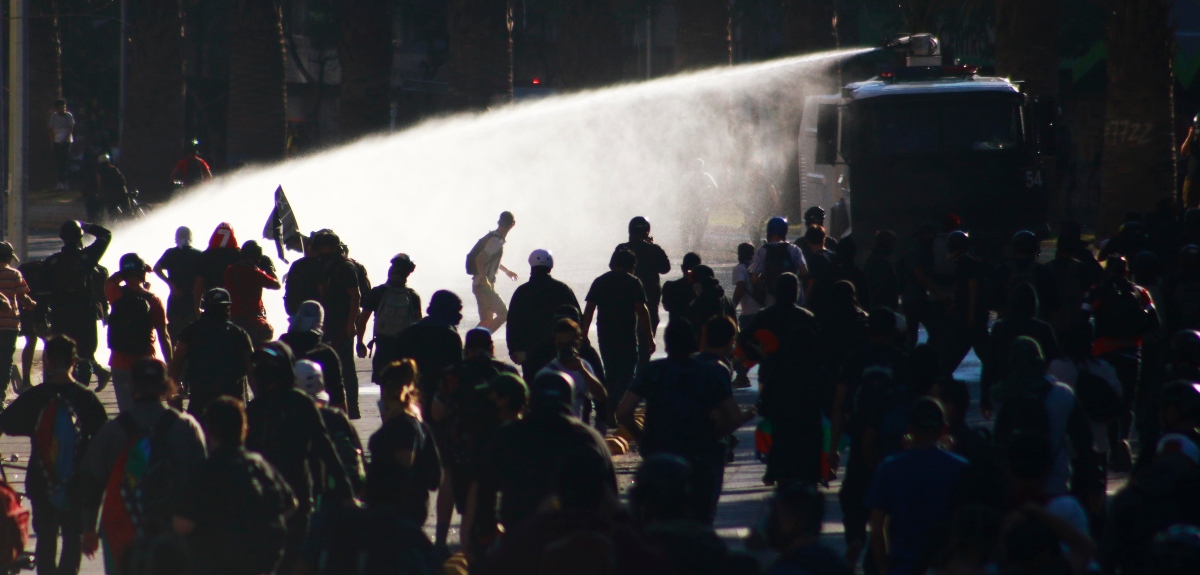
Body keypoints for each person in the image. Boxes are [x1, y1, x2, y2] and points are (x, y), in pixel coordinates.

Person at [78, 358, 208, 574]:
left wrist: (89, 529)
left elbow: (92, 481)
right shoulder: (187, 427)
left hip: (122, 530)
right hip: (175, 532)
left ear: (132, 387)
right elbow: (203, 481)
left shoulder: (113, 431)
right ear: (167, 385)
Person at [618, 320, 754, 524]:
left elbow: (624, 411)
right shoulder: (712, 370)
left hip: (659, 454)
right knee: (701, 520)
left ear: (667, 343)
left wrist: (642, 437)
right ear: (694, 341)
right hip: (700, 457)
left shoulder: (651, 371)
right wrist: (714, 434)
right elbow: (733, 417)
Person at [471, 371, 615, 552]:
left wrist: (486, 531)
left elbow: (485, 490)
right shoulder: (589, 438)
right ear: (570, 398)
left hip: (521, 542)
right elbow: (610, 497)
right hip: (580, 547)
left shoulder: (508, 435)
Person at [0, 335, 107, 575]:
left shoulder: (34, 398)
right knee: (71, 540)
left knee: (46, 541)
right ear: (74, 361)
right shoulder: (87, 400)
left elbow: (5, 423)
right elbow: (103, 443)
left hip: (41, 481)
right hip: (77, 484)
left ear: (46, 360)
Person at [245, 341, 353, 573]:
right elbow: (327, 451)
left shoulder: (253, 410)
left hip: (261, 502)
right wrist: (345, 494)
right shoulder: (301, 404)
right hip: (300, 498)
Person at [477, 448, 668, 575]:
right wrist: (621, 515)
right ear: (604, 491)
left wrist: (540, 519)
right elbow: (657, 562)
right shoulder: (624, 540)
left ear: (557, 490)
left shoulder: (529, 539)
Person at [173, 397, 297, 575]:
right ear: (245, 430)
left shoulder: (206, 470)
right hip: (259, 563)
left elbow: (182, 524)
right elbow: (290, 504)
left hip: (217, 564)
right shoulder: (258, 464)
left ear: (209, 432)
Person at [432, 328, 518, 551]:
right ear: (491, 347)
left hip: (460, 439)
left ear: (466, 350)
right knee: (482, 486)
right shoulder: (506, 371)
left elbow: (437, 412)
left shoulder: (453, 372)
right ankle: (476, 543)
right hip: (498, 438)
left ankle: (441, 539)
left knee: (450, 479)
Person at [991, 337, 1104, 503]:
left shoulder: (998, 394)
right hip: (1054, 482)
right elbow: (1083, 441)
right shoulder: (1062, 393)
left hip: (1013, 485)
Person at [866, 398, 968, 575]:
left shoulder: (890, 468)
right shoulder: (961, 468)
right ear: (943, 428)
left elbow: (876, 530)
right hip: (946, 567)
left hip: (904, 567)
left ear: (910, 429)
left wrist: (883, 569)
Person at [739, 274, 824, 485]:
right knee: (806, 420)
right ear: (796, 291)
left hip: (772, 373)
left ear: (775, 292)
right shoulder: (806, 316)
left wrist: (760, 353)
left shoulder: (765, 315)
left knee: (776, 421)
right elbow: (819, 346)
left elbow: (743, 338)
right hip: (803, 374)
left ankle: (773, 466)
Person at [1083, 254, 1158, 470]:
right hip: (1131, 352)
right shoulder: (1140, 292)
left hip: (1102, 353)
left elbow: (1083, 318)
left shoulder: (1095, 290)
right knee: (1127, 402)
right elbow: (1155, 323)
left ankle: (1104, 445)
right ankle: (1123, 440)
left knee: (1103, 399)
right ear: (1127, 271)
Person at [298, 459, 438, 575]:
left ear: (365, 490)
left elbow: (301, 566)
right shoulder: (407, 534)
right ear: (403, 495)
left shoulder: (326, 524)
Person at [582, 247, 655, 424]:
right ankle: (610, 407)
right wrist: (649, 336)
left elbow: (589, 310)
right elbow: (642, 310)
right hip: (626, 334)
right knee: (628, 373)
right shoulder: (633, 282)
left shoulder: (600, 281)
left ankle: (607, 409)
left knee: (612, 372)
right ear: (632, 266)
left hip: (605, 334)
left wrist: (583, 333)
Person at [368, 360, 442, 530]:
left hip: (398, 508)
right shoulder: (412, 422)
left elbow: (403, 467)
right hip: (406, 505)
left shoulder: (402, 426)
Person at [45, 220, 112, 388]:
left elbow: (43, 292)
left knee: (61, 351)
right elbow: (106, 235)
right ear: (80, 236)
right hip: (84, 312)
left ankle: (67, 384)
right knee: (86, 351)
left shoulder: (52, 262)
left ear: (61, 237)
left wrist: (40, 317)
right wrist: (86, 225)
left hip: (60, 313)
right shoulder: (87, 258)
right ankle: (89, 379)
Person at [168, 288, 254, 416]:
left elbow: (176, 364)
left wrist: (170, 393)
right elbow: (251, 368)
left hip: (201, 400)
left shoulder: (191, 331)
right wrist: (258, 398)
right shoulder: (239, 334)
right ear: (228, 308)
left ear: (205, 307)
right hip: (233, 403)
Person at [104, 253, 171, 412]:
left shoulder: (115, 294)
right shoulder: (153, 300)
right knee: (149, 412)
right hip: (146, 363)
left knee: (127, 414)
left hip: (119, 363)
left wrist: (127, 272)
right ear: (143, 273)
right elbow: (164, 336)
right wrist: (171, 367)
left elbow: (109, 281)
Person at [981, 283, 1060, 418]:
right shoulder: (1043, 328)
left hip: (1006, 389)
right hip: (1038, 390)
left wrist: (984, 399)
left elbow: (989, 364)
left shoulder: (1000, 327)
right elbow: (1054, 363)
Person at [294, 360, 367, 499]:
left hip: (305, 494)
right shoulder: (337, 418)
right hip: (338, 495)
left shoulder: (288, 420)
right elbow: (358, 454)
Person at [311, 231, 362, 419]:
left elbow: (355, 296)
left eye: (323, 247)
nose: (320, 251)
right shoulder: (326, 265)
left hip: (341, 323)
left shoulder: (345, 267)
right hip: (328, 322)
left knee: (346, 366)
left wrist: (351, 324)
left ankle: (353, 408)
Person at [505, 249, 580, 375]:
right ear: (550, 267)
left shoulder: (521, 292)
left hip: (529, 355)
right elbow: (576, 319)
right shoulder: (562, 289)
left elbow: (512, 323)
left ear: (531, 266)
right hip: (559, 352)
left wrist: (514, 350)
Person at [391, 290, 465, 416]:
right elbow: (456, 371)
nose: (460, 316)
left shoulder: (407, 333)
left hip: (412, 396)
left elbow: (397, 368)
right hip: (439, 398)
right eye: (457, 310)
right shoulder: (450, 336)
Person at [357, 253, 422, 383]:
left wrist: (360, 342)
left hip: (383, 347)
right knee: (406, 389)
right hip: (406, 348)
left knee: (385, 387)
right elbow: (418, 326)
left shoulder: (377, 292)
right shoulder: (412, 295)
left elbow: (362, 320)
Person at [764, 483, 853, 575]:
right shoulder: (833, 561)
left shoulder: (786, 569)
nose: (769, 524)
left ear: (790, 522)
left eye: (775, 517)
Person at [938, 231, 988, 378]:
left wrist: (970, 313)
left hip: (969, 316)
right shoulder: (970, 259)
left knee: (955, 351)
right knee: (982, 350)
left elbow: (972, 286)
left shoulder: (964, 261)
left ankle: (941, 378)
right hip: (972, 313)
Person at [537, 319, 606, 424]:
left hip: (576, 427)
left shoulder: (584, 367)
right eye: (561, 345)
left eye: (569, 344)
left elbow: (601, 397)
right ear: (555, 344)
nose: (566, 349)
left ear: (577, 343)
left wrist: (583, 371)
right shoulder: (546, 374)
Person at [617, 216, 672, 336]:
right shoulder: (654, 249)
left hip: (624, 298)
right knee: (647, 332)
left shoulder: (622, 248)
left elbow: (613, 267)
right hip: (650, 298)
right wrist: (651, 247)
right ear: (647, 231)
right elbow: (665, 268)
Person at [990, 230, 1059, 320]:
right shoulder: (1043, 271)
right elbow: (1055, 303)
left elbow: (991, 300)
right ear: (1035, 249)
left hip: (1008, 325)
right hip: (1037, 324)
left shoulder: (1003, 271)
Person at [224, 240, 281, 347]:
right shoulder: (257, 274)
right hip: (253, 323)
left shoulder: (230, 271)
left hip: (233, 320)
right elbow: (277, 285)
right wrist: (269, 269)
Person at [470, 211, 519, 331]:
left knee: (487, 319)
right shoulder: (496, 241)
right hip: (483, 285)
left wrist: (507, 271)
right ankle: (478, 341)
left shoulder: (494, 237)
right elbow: (479, 260)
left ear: (499, 222)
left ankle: (475, 344)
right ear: (512, 224)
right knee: (503, 313)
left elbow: (488, 259)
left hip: (480, 284)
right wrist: (484, 279)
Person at [153, 226, 203, 341]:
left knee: (175, 336)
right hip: (193, 300)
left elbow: (156, 268)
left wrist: (171, 285)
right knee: (194, 335)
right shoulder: (199, 254)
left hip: (176, 298)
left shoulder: (170, 253)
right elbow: (204, 277)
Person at [748, 217, 808, 307]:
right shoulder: (794, 249)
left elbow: (754, 279)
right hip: (794, 299)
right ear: (785, 231)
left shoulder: (762, 251)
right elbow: (804, 272)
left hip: (772, 300)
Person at [0, 241, 32, 402]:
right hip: (9, 326)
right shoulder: (14, 274)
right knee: (5, 362)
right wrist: (31, 304)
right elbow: (22, 296)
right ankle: (0, 398)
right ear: (8, 257)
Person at [192, 222, 241, 314]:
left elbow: (198, 285)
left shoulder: (205, 256)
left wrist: (196, 307)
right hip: (235, 306)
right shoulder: (240, 255)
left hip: (211, 303)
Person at [730, 243, 760, 388]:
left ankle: (742, 375)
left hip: (748, 314)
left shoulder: (740, 268)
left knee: (739, 346)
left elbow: (740, 287)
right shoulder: (759, 268)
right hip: (763, 312)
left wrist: (732, 306)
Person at [17, 258, 51, 392]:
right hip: (41, 309)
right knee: (48, 342)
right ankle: (47, 379)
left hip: (26, 310)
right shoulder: (47, 270)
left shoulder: (24, 270)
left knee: (30, 341)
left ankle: (25, 380)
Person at [686, 265, 736, 341]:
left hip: (708, 346)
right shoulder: (727, 300)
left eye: (694, 282)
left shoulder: (700, 302)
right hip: (728, 345)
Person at [661, 252, 702, 326]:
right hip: (697, 330)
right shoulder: (703, 289)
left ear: (682, 267)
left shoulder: (670, 286)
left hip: (676, 329)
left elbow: (666, 307)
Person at [864, 230, 900, 313]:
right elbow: (882, 288)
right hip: (882, 310)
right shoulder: (880, 262)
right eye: (893, 244)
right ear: (887, 244)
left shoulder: (875, 259)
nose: (894, 248)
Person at [94, 154, 130, 221]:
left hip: (110, 193)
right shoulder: (114, 169)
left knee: (112, 211)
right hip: (121, 191)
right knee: (126, 210)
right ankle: (129, 221)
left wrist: (100, 193)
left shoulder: (100, 171)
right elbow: (122, 180)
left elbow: (100, 183)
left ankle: (114, 224)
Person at [50, 99, 74, 190]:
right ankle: (60, 182)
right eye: (61, 107)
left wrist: (64, 140)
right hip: (57, 141)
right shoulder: (54, 116)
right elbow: (51, 128)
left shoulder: (68, 116)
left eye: (64, 107)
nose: (63, 109)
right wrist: (52, 140)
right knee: (59, 162)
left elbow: (70, 129)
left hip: (66, 141)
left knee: (65, 161)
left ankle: (66, 182)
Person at [1182, 113, 1200, 209]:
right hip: (1193, 177)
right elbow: (1184, 151)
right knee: (1190, 204)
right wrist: (1190, 136)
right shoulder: (1193, 139)